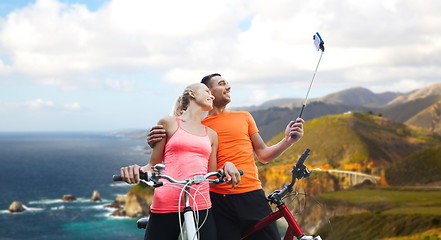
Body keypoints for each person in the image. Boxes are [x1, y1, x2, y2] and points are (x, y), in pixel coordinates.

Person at [147, 73, 305, 240]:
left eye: (227, 84)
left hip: (252, 195)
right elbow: (177, 155)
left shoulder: (244, 117)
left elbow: (263, 155)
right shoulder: (199, 128)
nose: (228, 87)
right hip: (216, 201)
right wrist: (154, 140)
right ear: (208, 92)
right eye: (222, 84)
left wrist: (287, 141)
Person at [120, 83, 241, 240]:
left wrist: (227, 166)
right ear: (192, 94)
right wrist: (136, 170)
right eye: (207, 91)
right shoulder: (168, 123)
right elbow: (153, 165)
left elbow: (211, 178)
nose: (212, 96)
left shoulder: (211, 135)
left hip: (201, 204)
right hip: (166, 203)